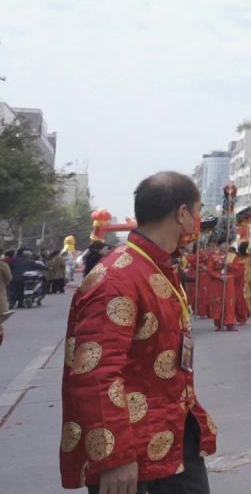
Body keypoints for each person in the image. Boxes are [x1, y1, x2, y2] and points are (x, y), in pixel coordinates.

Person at [59, 171, 218, 493]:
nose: (199, 221)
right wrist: (114, 457)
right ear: (183, 213)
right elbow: (95, 373)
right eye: (198, 211)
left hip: (173, 433)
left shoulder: (154, 267)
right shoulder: (118, 279)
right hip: (134, 454)